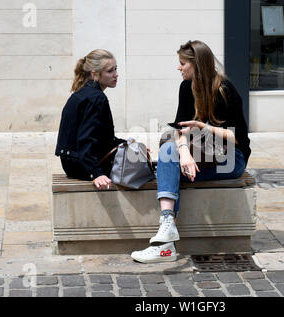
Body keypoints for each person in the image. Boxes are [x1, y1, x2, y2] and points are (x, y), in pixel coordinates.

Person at [131, 40, 251, 263]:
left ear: (197, 65)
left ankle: (165, 246)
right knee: (170, 153)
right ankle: (166, 229)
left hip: (231, 159)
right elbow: (180, 129)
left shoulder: (224, 90)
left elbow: (239, 138)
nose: (179, 68)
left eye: (182, 63)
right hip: (201, 155)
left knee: (168, 167)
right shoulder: (186, 88)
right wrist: (184, 152)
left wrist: (205, 127)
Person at [55, 49, 126, 190]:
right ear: (95, 74)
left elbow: (101, 137)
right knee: (139, 170)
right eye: (110, 71)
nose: (116, 75)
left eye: (115, 69)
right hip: (82, 165)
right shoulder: (97, 98)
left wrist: (126, 144)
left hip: (71, 162)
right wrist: (96, 173)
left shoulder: (83, 93)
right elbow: (86, 139)